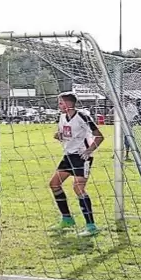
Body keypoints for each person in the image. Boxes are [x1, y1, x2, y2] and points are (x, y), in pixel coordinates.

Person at [48, 92, 104, 237]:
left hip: (81, 157)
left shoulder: (83, 116)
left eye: (60, 103)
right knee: (54, 184)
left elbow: (99, 136)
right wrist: (58, 135)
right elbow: (64, 133)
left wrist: (89, 150)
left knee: (78, 188)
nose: (58, 105)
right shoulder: (61, 117)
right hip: (68, 156)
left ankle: (91, 226)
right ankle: (67, 219)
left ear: (68, 104)